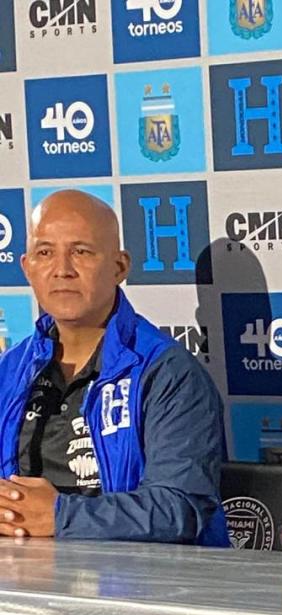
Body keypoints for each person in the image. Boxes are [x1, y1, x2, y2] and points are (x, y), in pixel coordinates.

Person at [0, 190, 228, 545]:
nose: (62, 270)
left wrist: (60, 515)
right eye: (45, 253)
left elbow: (180, 508)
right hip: (25, 585)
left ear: (119, 267)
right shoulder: (9, 372)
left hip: (142, 588)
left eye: (81, 252)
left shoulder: (167, 373)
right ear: (27, 267)